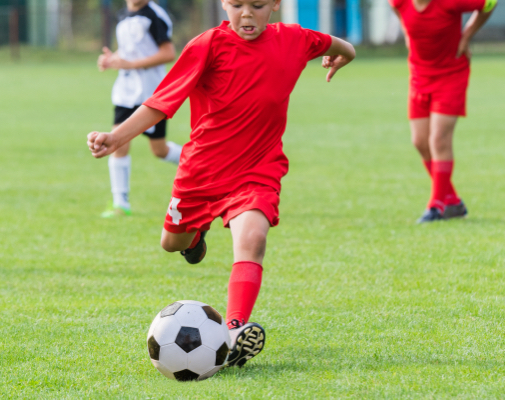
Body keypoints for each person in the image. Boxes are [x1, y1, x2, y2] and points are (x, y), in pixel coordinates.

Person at [87, 0, 355, 368]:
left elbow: (341, 45)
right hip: (202, 172)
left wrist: (344, 55)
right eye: (236, 5)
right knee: (172, 243)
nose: (246, 14)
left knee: (253, 238)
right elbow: (162, 102)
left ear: (275, 4)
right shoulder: (207, 45)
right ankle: (195, 238)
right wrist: (116, 137)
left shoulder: (296, 39)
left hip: (257, 168)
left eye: (258, 5)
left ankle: (233, 331)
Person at [390, 0, 497, 222]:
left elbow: (490, 3)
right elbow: (398, 12)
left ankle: (436, 206)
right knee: (420, 141)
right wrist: (407, 34)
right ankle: (453, 202)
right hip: (419, 75)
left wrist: (467, 35)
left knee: (439, 140)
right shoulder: (398, 2)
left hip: (451, 74)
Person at [97, 0, 182, 218]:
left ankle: (203, 165)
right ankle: (120, 203)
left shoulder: (154, 16)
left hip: (151, 93)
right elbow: (131, 50)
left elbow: (168, 53)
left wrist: (130, 64)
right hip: (125, 93)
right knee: (117, 143)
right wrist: (112, 59)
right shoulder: (123, 14)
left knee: (159, 150)